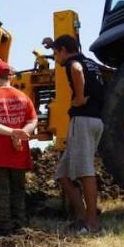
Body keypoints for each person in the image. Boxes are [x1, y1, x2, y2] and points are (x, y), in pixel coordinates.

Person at [50, 35, 106, 234]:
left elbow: (76, 69)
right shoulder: (91, 62)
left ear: (64, 50)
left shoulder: (73, 63)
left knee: (85, 172)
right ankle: (80, 217)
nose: (55, 57)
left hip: (83, 120)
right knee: (63, 174)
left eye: (55, 53)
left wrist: (80, 98)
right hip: (95, 120)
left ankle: (92, 224)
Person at [0, 59, 37, 236]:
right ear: (9, 77)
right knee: (18, 189)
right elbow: (33, 120)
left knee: (0, 191)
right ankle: (20, 225)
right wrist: (22, 132)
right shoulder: (23, 97)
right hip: (19, 153)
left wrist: (13, 132)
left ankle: (4, 228)